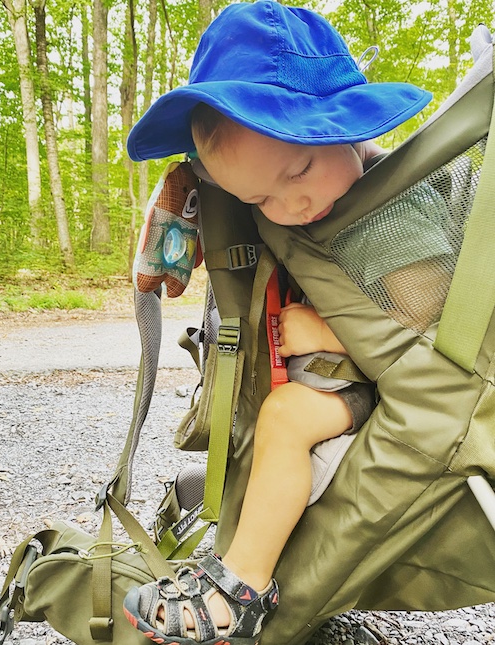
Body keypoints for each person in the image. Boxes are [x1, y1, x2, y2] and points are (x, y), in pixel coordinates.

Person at [122, 3, 450, 644]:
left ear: (350, 128)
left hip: (413, 390)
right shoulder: (318, 205)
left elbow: (432, 308)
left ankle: (242, 586)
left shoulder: (393, 202)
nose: (290, 205)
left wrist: (330, 334)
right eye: (259, 200)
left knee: (286, 419)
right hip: (364, 379)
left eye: (298, 170)